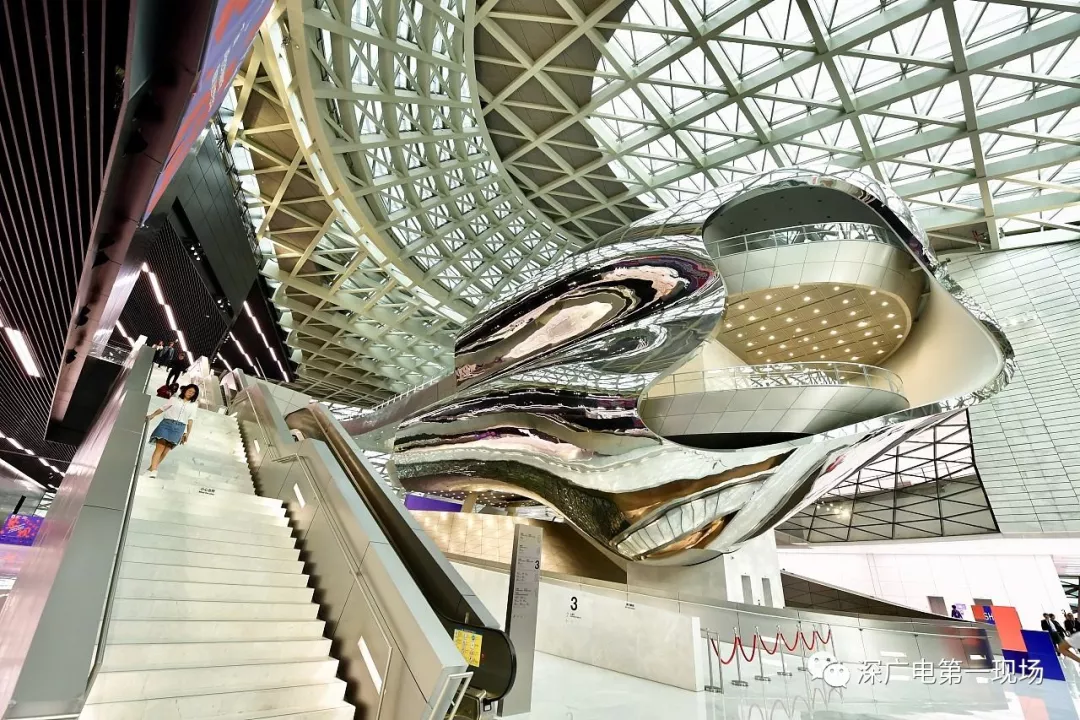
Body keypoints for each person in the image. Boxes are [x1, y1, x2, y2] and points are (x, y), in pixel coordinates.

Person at [144, 385, 199, 477]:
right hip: (166, 424)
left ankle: (150, 469)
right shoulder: (174, 399)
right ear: (185, 390)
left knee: (165, 451)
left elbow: (191, 419)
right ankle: (154, 470)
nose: (191, 393)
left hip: (179, 428)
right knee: (160, 448)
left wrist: (187, 433)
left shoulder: (194, 405)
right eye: (189, 391)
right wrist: (153, 415)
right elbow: (163, 408)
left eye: (193, 393)